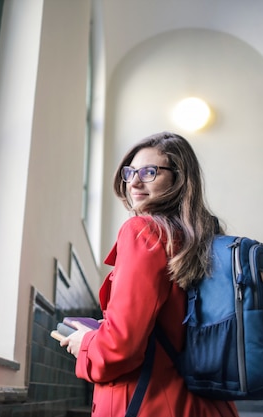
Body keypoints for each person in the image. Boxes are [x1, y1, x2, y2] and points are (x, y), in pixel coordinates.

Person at [60, 132, 239, 416]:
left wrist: (87, 344)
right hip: (205, 404)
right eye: (130, 172)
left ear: (178, 178)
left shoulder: (144, 231)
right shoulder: (202, 238)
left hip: (152, 403)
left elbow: (119, 350)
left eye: (149, 172)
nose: (133, 182)